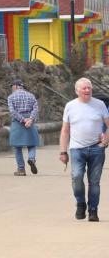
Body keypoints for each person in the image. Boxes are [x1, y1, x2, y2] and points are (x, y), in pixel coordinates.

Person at [59, 77, 109, 222]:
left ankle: (93, 210)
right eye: (84, 88)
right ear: (77, 91)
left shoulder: (100, 105)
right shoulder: (70, 106)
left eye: (89, 87)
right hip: (77, 149)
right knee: (76, 177)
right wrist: (63, 151)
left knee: (94, 182)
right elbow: (65, 130)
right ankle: (80, 203)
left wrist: (105, 139)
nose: (88, 90)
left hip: (96, 148)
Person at [7, 78, 40, 176]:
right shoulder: (31, 96)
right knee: (32, 144)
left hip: (18, 123)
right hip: (30, 122)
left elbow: (12, 112)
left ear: (16, 86)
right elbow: (35, 109)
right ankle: (31, 159)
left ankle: (21, 169)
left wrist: (23, 120)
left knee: (17, 147)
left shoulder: (11, 97)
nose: (12, 88)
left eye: (12, 86)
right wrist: (30, 119)